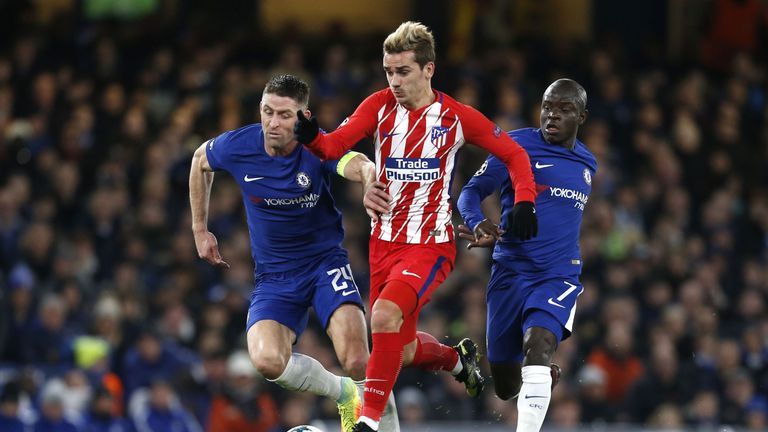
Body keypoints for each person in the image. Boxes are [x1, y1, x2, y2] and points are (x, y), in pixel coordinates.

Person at [294, 22, 539, 432]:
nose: (394, 81)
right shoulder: (378, 107)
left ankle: (368, 422)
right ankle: (456, 360)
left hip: (430, 246)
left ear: (428, 69)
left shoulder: (456, 117)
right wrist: (311, 135)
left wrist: (526, 201)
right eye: (388, 71)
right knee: (400, 350)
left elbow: (514, 154)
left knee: (384, 317)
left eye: (403, 71)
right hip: (382, 244)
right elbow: (335, 146)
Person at [189, 74, 397, 432]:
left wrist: (367, 180)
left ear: (303, 116)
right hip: (274, 276)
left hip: (324, 264)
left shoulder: (317, 148)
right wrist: (199, 228)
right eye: (267, 112)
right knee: (267, 361)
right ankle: (343, 393)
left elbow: (358, 162)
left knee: (358, 359)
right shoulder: (239, 146)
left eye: (285, 115)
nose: (273, 122)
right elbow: (199, 161)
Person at [456, 78, 597, 432]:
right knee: (505, 385)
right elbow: (469, 194)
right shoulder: (516, 145)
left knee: (538, 344)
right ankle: (540, 376)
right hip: (510, 273)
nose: (552, 115)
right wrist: (477, 223)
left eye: (564, 110)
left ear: (581, 116)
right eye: (547, 106)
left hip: (558, 275)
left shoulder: (587, 163)